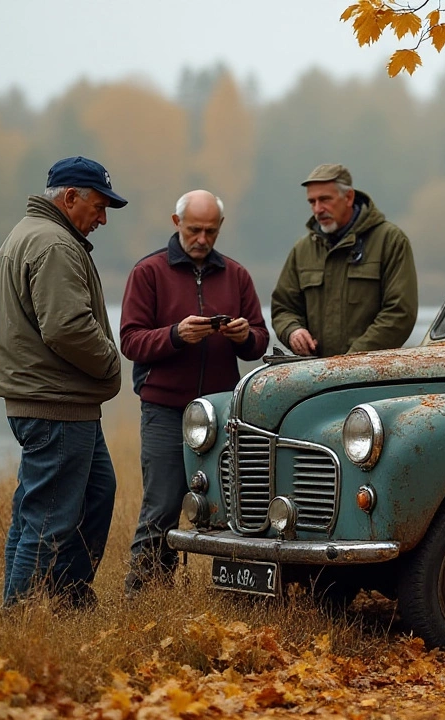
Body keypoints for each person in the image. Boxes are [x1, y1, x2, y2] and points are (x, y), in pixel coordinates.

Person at [0, 156, 128, 610]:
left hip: (53, 401)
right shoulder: (54, 244)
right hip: (56, 405)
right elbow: (67, 328)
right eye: (100, 206)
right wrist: (110, 361)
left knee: (92, 492)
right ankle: (23, 620)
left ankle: (66, 596)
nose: (103, 218)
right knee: (48, 517)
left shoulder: (28, 233)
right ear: (70, 198)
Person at [119, 190, 269, 595]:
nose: (202, 238)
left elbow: (259, 341)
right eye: (194, 230)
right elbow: (130, 342)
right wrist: (176, 335)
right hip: (165, 410)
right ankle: (145, 596)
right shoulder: (148, 272)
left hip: (223, 414)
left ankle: (240, 596)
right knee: (162, 507)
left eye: (211, 231)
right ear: (176, 222)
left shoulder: (236, 275)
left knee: (234, 509)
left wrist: (244, 336)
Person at [271, 163, 418, 357]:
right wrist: (292, 331)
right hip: (315, 377)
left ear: (348, 197)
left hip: (371, 376)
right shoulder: (303, 250)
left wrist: (352, 360)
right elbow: (283, 307)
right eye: (312, 202)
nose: (317, 209)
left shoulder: (390, 241)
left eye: (324, 199)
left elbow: (400, 313)